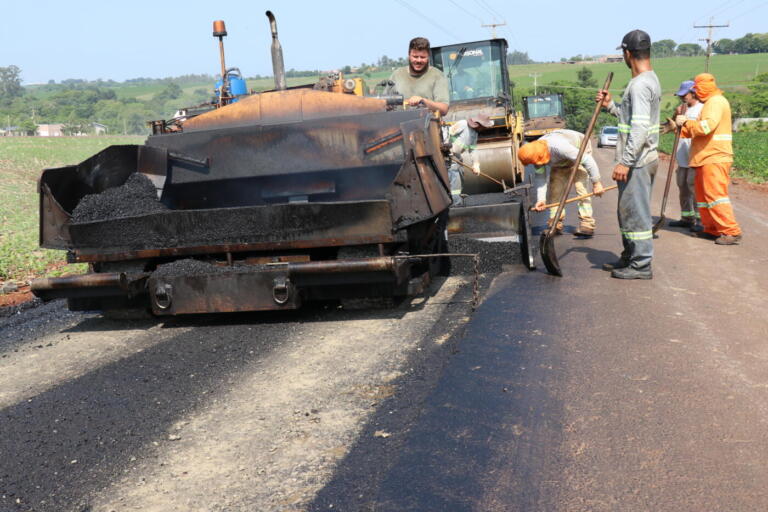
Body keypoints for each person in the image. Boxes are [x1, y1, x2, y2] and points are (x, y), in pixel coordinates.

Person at [597, 29, 661, 280]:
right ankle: (630, 256)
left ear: (627, 53)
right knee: (627, 212)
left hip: (638, 162)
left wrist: (626, 161)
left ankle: (641, 264)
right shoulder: (649, 80)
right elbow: (632, 118)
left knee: (636, 214)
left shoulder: (640, 85)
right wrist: (610, 106)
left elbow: (640, 128)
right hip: (643, 158)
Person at [675, 73, 742, 245]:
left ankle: (731, 231)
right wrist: (682, 126)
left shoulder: (716, 102)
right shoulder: (709, 103)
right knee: (704, 197)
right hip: (705, 157)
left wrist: (686, 123)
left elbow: (705, 127)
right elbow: (696, 128)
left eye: (697, 88)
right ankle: (711, 228)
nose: (695, 92)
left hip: (715, 156)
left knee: (716, 196)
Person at [518, 129, 605, 237]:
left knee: (580, 187)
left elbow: (588, 160)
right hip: (561, 161)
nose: (535, 165)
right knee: (555, 190)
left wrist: (596, 183)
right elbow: (541, 178)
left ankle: (587, 224)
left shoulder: (559, 147)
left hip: (580, 150)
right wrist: (541, 200)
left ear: (542, 156)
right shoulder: (535, 154)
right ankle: (555, 223)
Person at [666, 80, 704, 231]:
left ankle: (700, 220)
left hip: (695, 156)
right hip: (682, 155)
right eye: (680, 95)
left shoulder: (703, 109)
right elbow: (676, 129)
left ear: (694, 93)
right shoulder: (680, 109)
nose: (682, 97)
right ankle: (687, 218)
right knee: (682, 186)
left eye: (685, 94)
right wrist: (672, 126)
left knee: (693, 187)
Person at [389, 37, 450, 115]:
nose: (419, 60)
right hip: (398, 125)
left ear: (428, 56)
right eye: (415, 56)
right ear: (409, 55)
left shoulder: (437, 75)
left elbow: (444, 109)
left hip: (428, 125)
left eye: (422, 57)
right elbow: (383, 103)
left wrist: (423, 101)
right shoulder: (397, 75)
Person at [445, 114, 493, 205]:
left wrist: (476, 164)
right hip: (449, 156)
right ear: (478, 125)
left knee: (461, 176)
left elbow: (473, 149)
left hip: (457, 157)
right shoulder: (463, 124)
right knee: (455, 180)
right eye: (484, 127)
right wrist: (446, 147)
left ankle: (457, 197)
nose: (485, 129)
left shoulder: (474, 134)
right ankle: (456, 203)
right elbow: (447, 132)